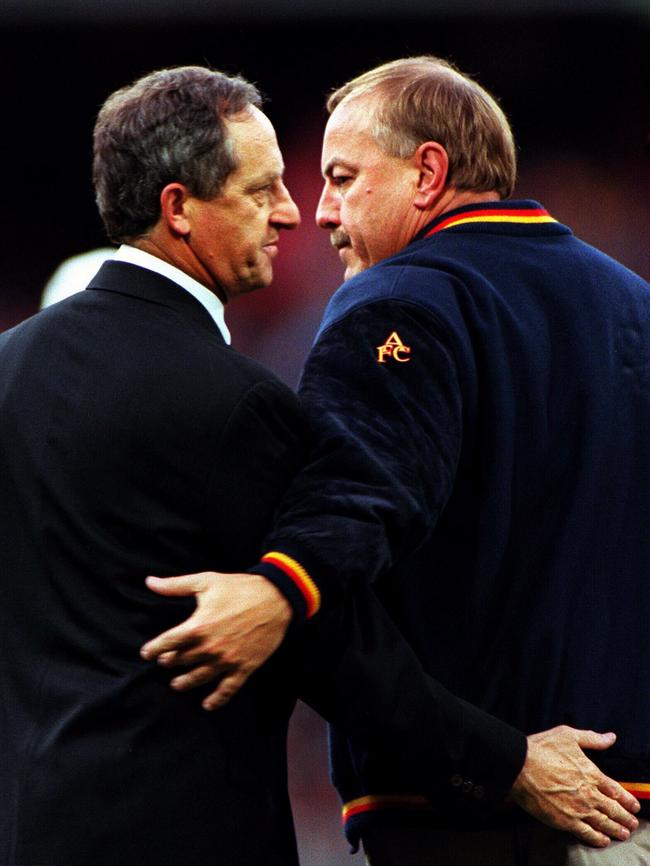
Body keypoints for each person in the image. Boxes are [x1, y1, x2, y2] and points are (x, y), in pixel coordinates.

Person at [2, 63, 625, 866]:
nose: (294, 214)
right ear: (178, 210)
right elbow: (337, 649)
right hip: (186, 834)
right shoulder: (231, 400)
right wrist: (510, 762)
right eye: (261, 191)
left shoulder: (11, 366)